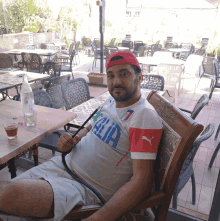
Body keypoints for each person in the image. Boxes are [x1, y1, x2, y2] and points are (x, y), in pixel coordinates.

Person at [0, 51, 163, 221]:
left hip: (84, 188)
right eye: (111, 75)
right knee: (6, 194)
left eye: (124, 74)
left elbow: (142, 182)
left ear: (140, 77)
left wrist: (98, 218)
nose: (116, 82)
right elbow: (90, 128)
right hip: (62, 165)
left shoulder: (143, 115)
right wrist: (72, 140)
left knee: (9, 195)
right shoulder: (111, 101)